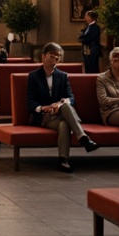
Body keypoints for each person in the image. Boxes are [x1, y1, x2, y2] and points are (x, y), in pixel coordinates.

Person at [27, 42, 99, 173]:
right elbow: (30, 103)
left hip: (60, 114)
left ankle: (63, 160)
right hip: (44, 117)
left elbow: (71, 98)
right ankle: (83, 137)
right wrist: (44, 108)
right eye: (52, 56)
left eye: (58, 57)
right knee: (65, 116)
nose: (55, 60)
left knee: (64, 121)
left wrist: (62, 102)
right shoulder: (33, 76)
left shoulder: (62, 76)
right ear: (43, 56)